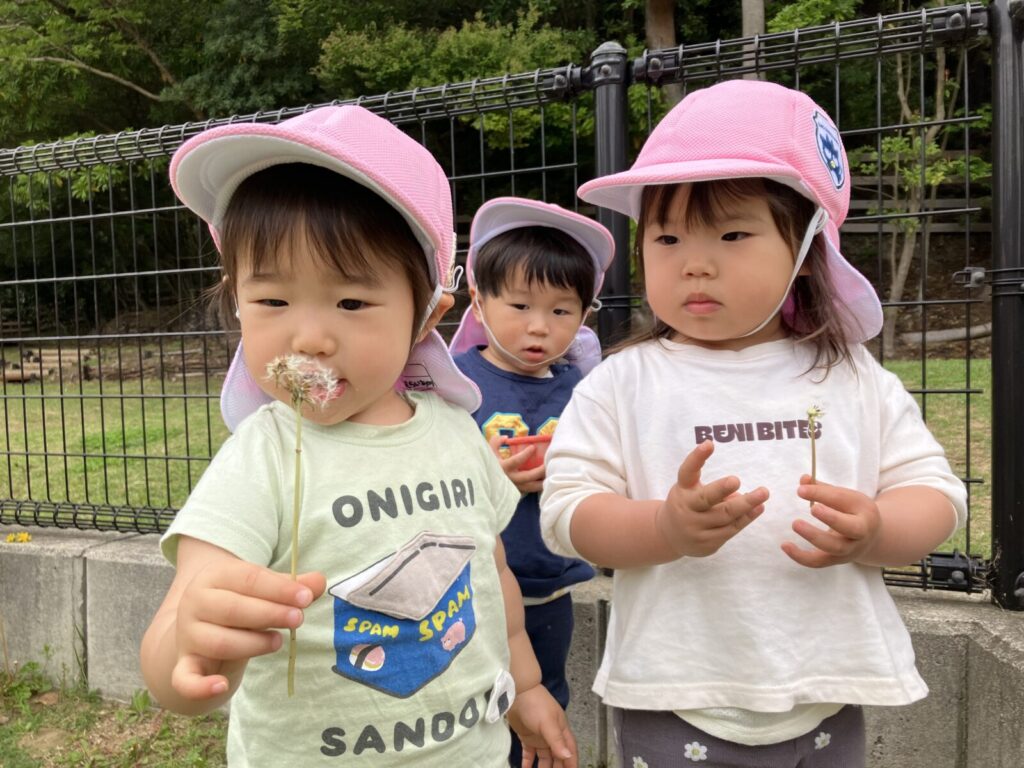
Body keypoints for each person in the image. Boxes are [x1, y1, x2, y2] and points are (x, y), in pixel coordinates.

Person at [539, 79, 967, 768]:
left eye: (733, 234)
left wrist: (880, 530)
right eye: (667, 237)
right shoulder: (624, 383)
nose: (695, 263)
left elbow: (937, 495)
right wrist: (663, 528)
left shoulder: (849, 376)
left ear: (806, 252)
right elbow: (566, 513)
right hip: (677, 694)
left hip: (825, 693)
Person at [139, 105, 578, 768]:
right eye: (272, 300)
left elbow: (491, 574)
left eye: (351, 303)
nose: (309, 337)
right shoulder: (261, 459)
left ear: (426, 315)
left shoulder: (457, 432)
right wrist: (190, 647)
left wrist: (528, 683)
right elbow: (174, 647)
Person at [448, 197, 615, 767]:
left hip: (551, 588)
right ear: (479, 300)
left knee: (546, 697)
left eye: (562, 310)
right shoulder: (454, 386)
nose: (539, 326)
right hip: (474, 591)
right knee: (474, 707)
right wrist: (492, 481)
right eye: (519, 305)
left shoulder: (583, 390)